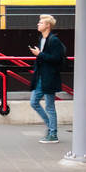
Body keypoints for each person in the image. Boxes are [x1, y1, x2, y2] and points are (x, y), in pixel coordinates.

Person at [29, 14, 66, 144]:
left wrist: (40, 54)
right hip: (41, 77)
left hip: (49, 77)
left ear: (47, 25)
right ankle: (51, 127)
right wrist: (39, 54)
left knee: (50, 106)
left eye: (41, 23)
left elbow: (57, 58)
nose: (38, 24)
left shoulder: (53, 40)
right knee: (33, 102)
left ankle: (53, 134)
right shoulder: (42, 39)